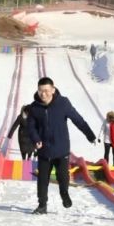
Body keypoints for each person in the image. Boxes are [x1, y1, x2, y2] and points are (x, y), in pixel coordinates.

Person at [27, 77, 96, 214]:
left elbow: (78, 119)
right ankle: (42, 205)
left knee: (63, 177)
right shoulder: (34, 107)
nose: (43, 94)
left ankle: (64, 193)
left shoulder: (63, 103)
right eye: (40, 91)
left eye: (46, 90)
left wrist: (90, 135)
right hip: (44, 150)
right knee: (42, 180)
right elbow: (31, 127)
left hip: (61, 149)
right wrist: (36, 139)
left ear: (53, 90)